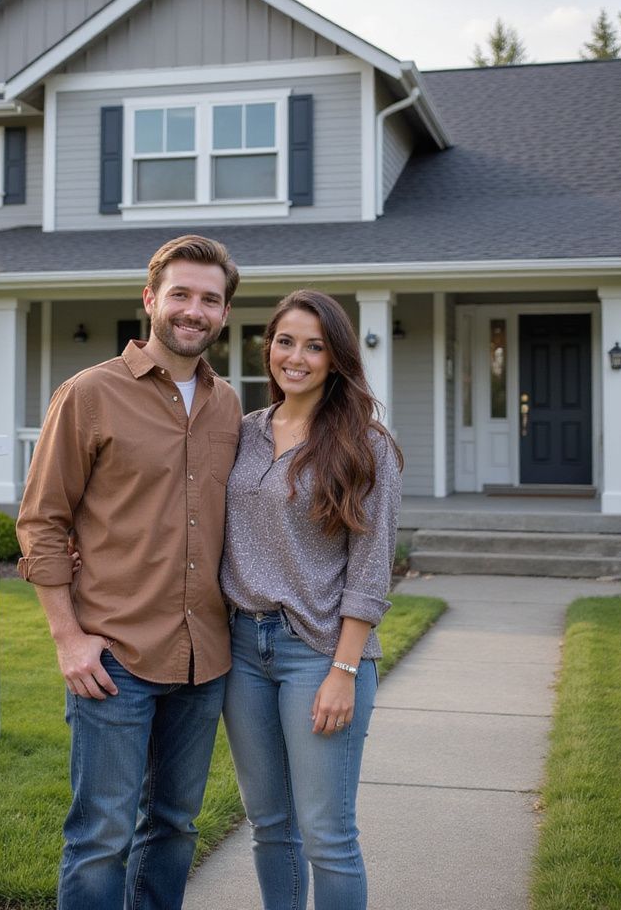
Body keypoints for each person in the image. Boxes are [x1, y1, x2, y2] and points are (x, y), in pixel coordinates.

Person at [15, 235, 242, 910]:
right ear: (150, 300)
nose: (193, 310)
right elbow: (41, 521)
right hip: (114, 657)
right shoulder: (90, 394)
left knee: (175, 827)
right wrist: (67, 638)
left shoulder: (227, 405)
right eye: (181, 294)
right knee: (101, 836)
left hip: (204, 659)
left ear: (224, 312)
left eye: (209, 298)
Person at [220, 289, 403, 910]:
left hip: (319, 652)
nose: (295, 357)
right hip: (242, 649)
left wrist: (344, 671)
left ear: (336, 357)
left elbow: (371, 570)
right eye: (285, 341)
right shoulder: (240, 433)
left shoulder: (367, 446)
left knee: (328, 836)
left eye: (314, 346)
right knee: (270, 828)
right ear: (268, 346)